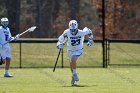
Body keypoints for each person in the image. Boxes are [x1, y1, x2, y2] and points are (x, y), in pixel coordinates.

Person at [56, 20, 94, 85]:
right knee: (71, 64)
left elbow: (89, 31)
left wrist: (90, 40)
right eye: (72, 30)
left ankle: (75, 74)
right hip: (70, 50)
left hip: (78, 50)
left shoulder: (81, 32)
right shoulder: (66, 32)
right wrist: (59, 45)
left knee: (73, 59)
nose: (73, 31)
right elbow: (60, 40)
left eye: (74, 30)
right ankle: (73, 76)